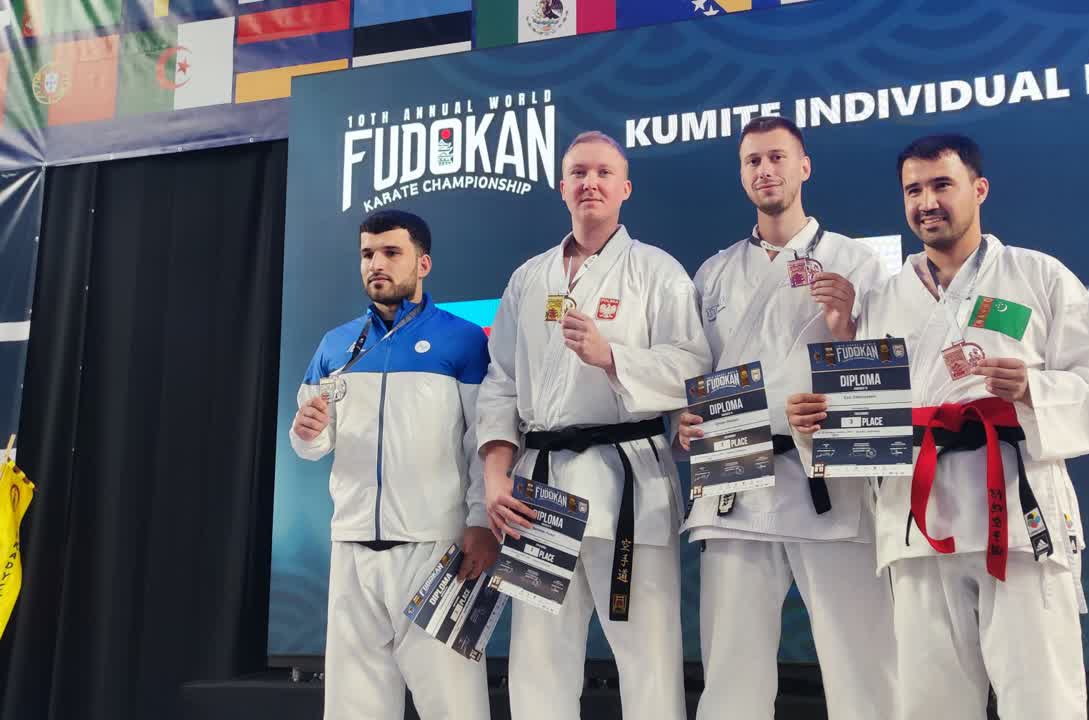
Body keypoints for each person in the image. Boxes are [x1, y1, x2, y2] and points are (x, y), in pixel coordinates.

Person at [788, 134, 1089, 719]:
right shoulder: (884, 298)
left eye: (942, 185)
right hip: (918, 523)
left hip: (1019, 515)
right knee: (929, 703)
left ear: (979, 188)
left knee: (1042, 697)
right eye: (913, 190)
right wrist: (815, 424)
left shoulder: (1039, 276)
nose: (927, 202)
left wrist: (1034, 389)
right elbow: (870, 421)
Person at [475, 131, 710, 720]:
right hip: (539, 486)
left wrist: (613, 358)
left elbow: (692, 365)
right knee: (538, 659)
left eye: (604, 173)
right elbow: (500, 382)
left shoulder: (657, 271)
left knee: (647, 655)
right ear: (562, 187)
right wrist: (495, 476)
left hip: (627, 481)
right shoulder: (529, 278)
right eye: (579, 173)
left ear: (625, 188)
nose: (591, 183)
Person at [676, 116, 897, 719]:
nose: (764, 170)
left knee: (865, 663)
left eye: (776, 157)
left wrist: (846, 328)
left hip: (830, 481)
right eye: (752, 160)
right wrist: (685, 419)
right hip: (734, 480)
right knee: (730, 672)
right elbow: (693, 372)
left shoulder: (857, 261)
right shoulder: (714, 272)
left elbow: (885, 387)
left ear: (804, 166)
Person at [290, 209, 497, 720]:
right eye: (367, 254)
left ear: (423, 263)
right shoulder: (335, 345)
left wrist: (479, 521)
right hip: (352, 550)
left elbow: (483, 441)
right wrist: (307, 433)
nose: (375, 264)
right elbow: (313, 442)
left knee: (455, 706)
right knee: (353, 709)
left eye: (390, 252)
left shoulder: (464, 340)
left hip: (436, 551)